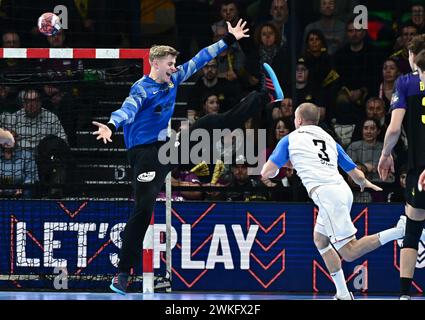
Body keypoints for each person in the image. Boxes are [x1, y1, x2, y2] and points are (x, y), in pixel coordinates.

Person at [92, 20, 260, 295]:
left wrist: (229, 40)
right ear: (155, 63)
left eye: (174, 64)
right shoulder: (141, 89)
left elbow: (201, 58)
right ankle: (122, 274)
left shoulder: (175, 78)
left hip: (166, 148)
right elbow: (127, 110)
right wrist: (110, 126)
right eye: (170, 63)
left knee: (209, 122)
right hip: (144, 156)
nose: (174, 68)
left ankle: (262, 97)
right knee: (144, 208)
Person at [262, 103, 405, 300]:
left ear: (299, 121)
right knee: (320, 240)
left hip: (327, 195)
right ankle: (343, 294)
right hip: (342, 191)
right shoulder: (328, 138)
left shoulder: (290, 139)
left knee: (349, 252)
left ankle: (400, 230)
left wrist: (282, 166)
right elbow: (354, 173)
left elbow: (266, 172)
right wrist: (365, 183)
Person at [377, 34, 425, 300]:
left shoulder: (406, 83)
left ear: (411, 58)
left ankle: (405, 295)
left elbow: (394, 128)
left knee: (413, 228)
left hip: (420, 170)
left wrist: (385, 154)